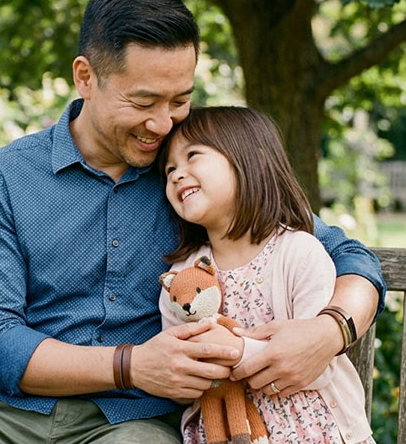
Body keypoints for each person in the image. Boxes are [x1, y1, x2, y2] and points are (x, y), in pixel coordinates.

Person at [0, 0, 385, 443]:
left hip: (133, 423)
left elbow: (346, 254)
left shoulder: (197, 182)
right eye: (144, 101)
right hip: (5, 414)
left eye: (180, 100)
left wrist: (329, 330)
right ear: (86, 77)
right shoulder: (4, 178)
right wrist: (131, 365)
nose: (163, 124)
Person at [158, 106, 375, 444]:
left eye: (192, 156)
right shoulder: (181, 275)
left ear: (247, 160)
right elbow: (178, 376)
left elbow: (316, 364)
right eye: (170, 168)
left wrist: (233, 351)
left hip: (313, 431)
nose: (175, 174)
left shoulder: (298, 252)